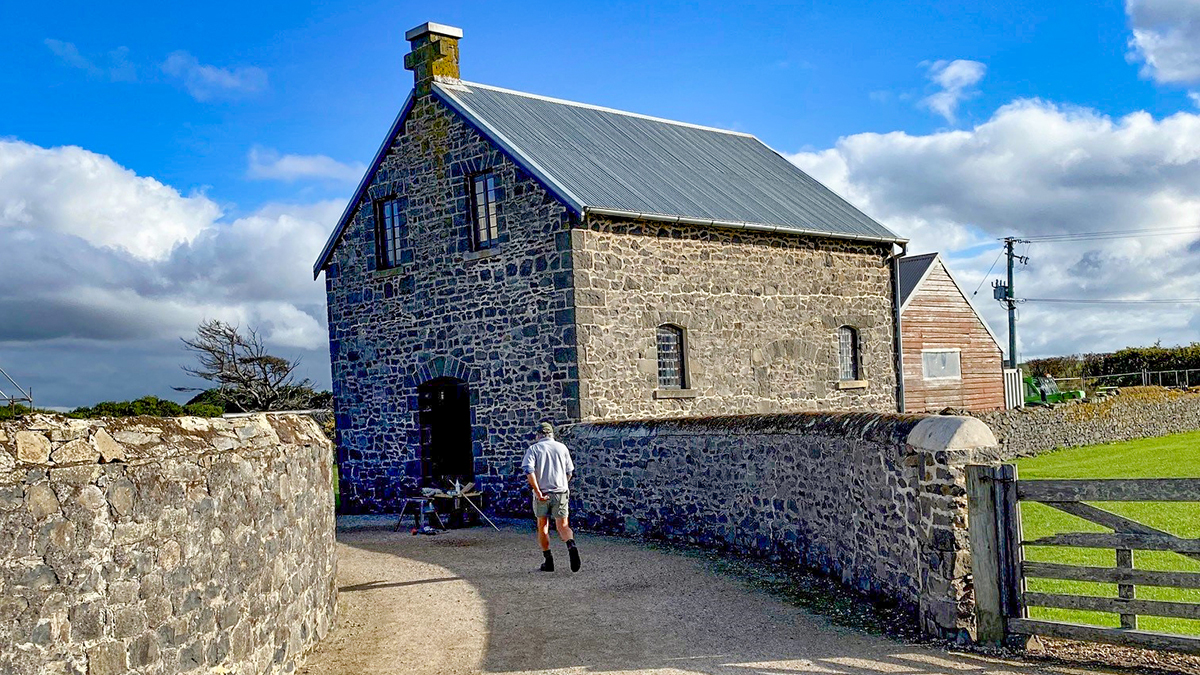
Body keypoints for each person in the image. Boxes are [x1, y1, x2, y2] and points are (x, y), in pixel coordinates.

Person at [521, 421, 581, 572]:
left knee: (543, 526)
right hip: (560, 491)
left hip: (543, 493)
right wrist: (562, 485)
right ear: (552, 434)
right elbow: (569, 472)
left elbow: (529, 471)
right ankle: (571, 544)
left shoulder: (534, 449)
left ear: (538, 435)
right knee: (563, 525)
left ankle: (549, 561)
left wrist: (538, 491)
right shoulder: (562, 448)